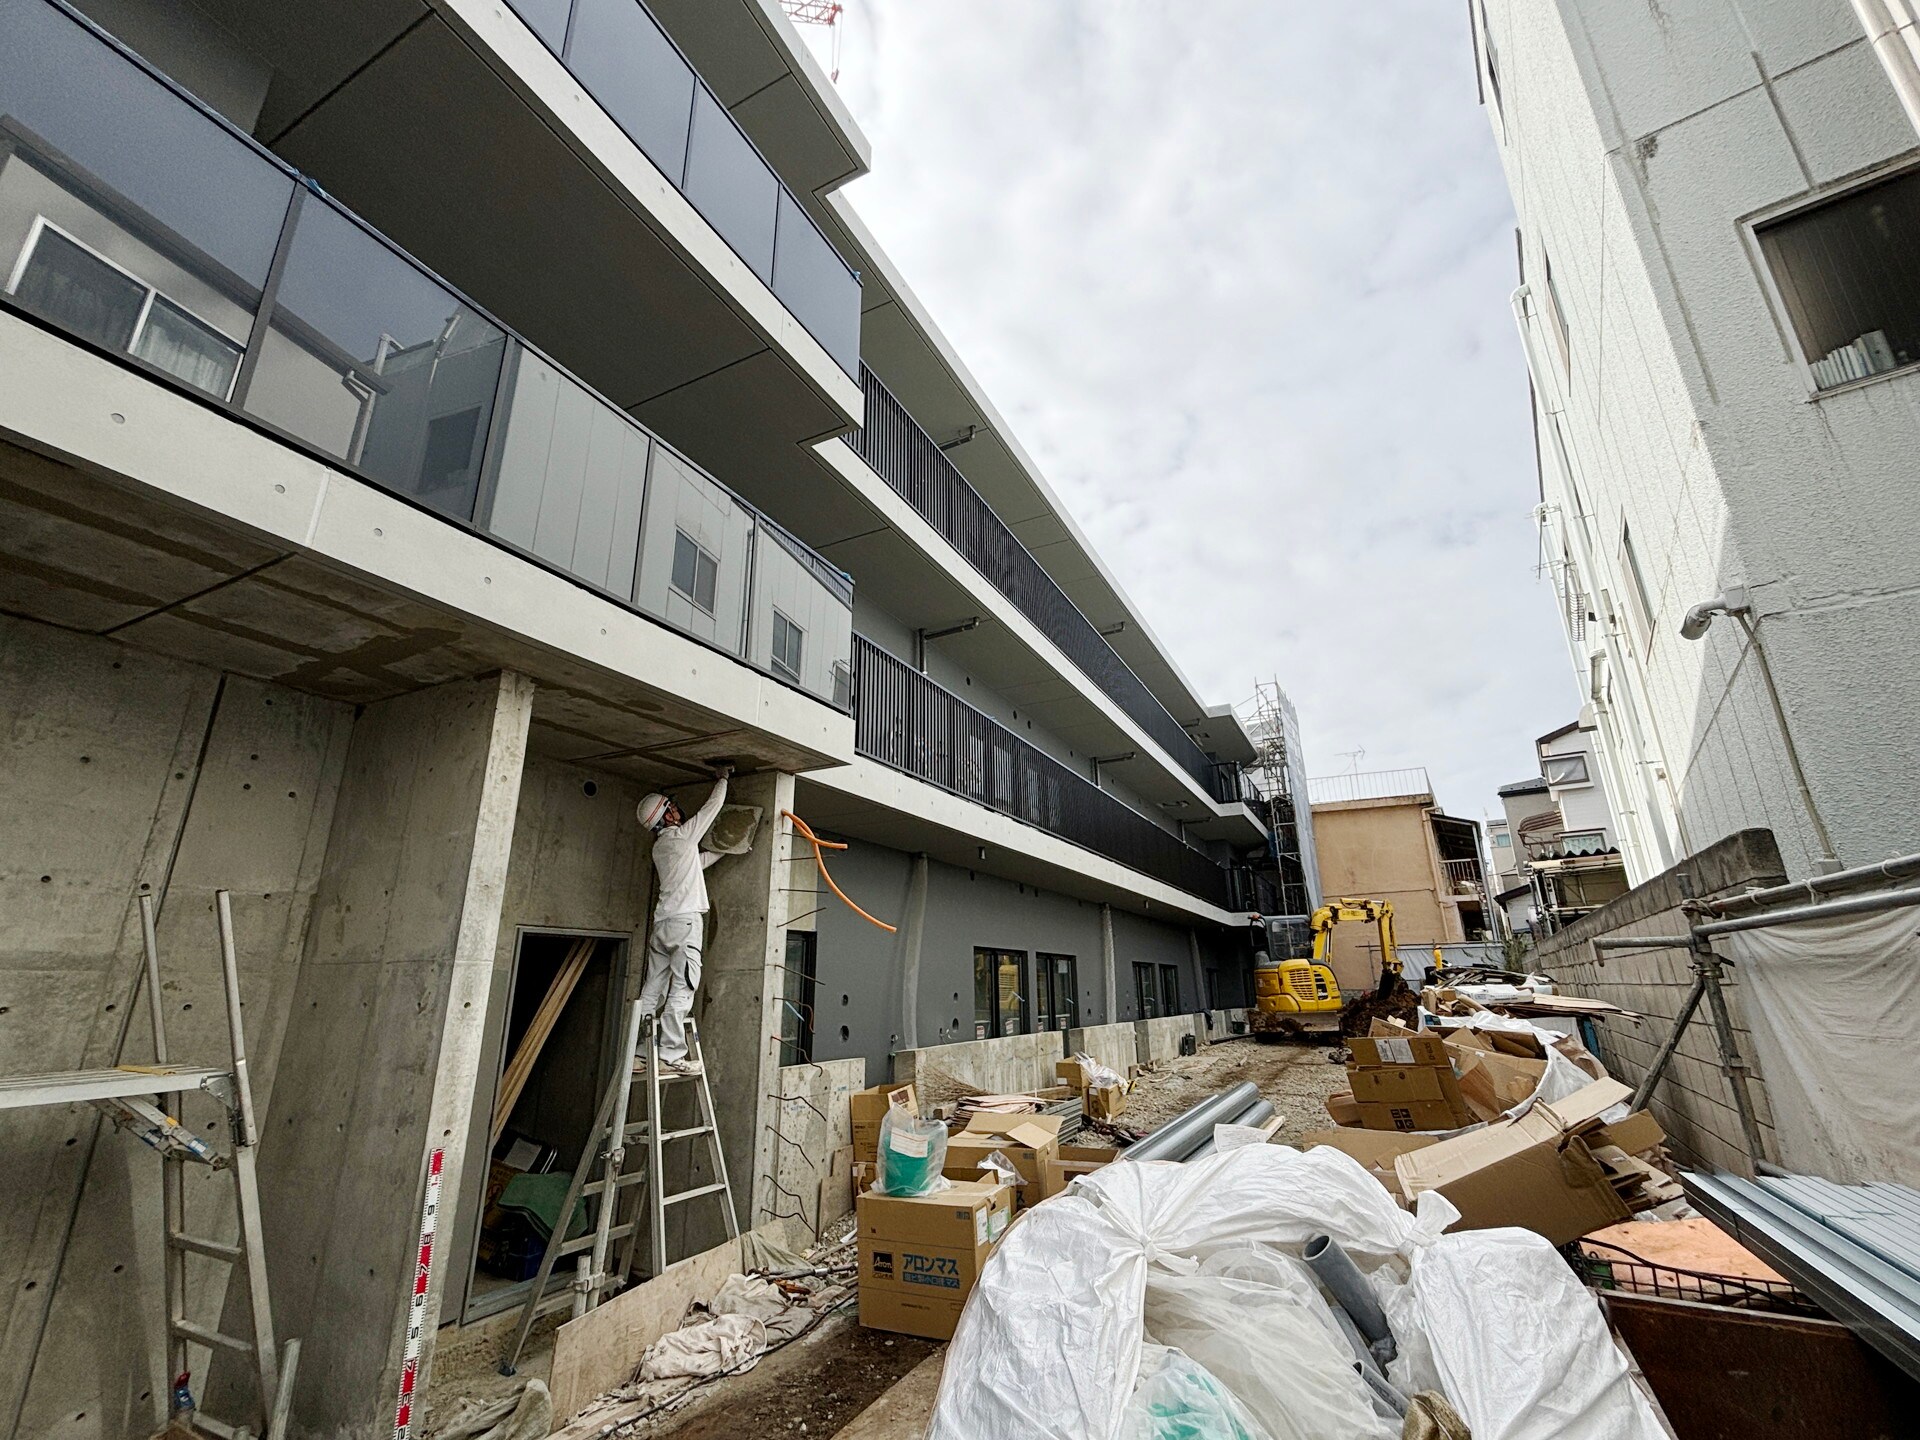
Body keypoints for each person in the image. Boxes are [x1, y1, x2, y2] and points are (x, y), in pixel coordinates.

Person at [635, 764, 734, 1074]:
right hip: (685, 924)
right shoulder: (682, 836)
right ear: (666, 816)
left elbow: (697, 863)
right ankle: (670, 1053)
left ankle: (639, 1051)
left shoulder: (661, 848)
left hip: (662, 925)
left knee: (654, 988)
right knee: (683, 987)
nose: (677, 809)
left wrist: (732, 846)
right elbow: (711, 809)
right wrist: (722, 780)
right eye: (672, 807)